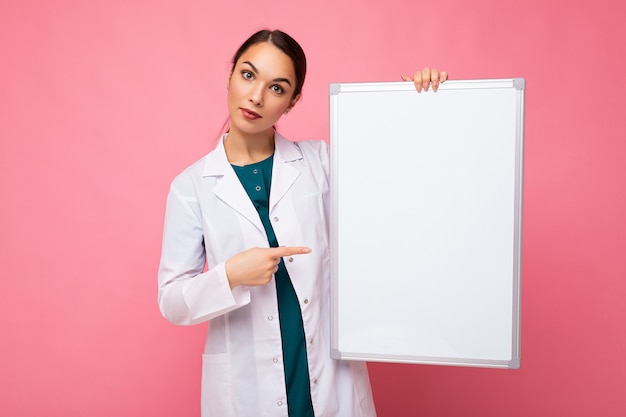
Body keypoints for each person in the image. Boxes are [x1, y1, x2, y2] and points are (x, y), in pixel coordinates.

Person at [158, 28, 447, 417]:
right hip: (248, 393)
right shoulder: (190, 187)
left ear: (292, 102)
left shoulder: (320, 163)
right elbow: (172, 301)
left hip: (329, 383)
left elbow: (398, 189)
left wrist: (419, 104)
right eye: (248, 75)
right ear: (229, 76)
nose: (256, 96)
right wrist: (230, 274)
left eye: (277, 88)